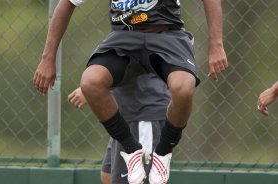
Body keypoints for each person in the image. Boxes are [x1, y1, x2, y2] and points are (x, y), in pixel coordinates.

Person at [33, 0, 228, 183]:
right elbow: (66, 3)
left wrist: (216, 45)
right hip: (124, 37)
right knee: (90, 82)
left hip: (166, 36)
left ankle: (163, 153)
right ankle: (132, 150)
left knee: (184, 88)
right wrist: (47, 58)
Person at [68, 73, 171, 184]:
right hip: (125, 115)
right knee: (108, 175)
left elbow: (131, 65)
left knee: (137, 180)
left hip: (143, 112)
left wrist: (95, 86)